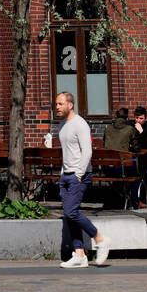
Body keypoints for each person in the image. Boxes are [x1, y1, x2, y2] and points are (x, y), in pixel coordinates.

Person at [55, 91, 110, 268]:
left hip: (79, 176)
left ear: (70, 105)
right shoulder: (62, 125)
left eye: (60, 104)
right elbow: (66, 152)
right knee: (69, 215)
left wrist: (79, 174)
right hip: (66, 175)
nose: (57, 107)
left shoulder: (80, 124)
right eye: (56, 104)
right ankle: (79, 254)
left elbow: (87, 151)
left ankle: (100, 239)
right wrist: (62, 173)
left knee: (71, 212)